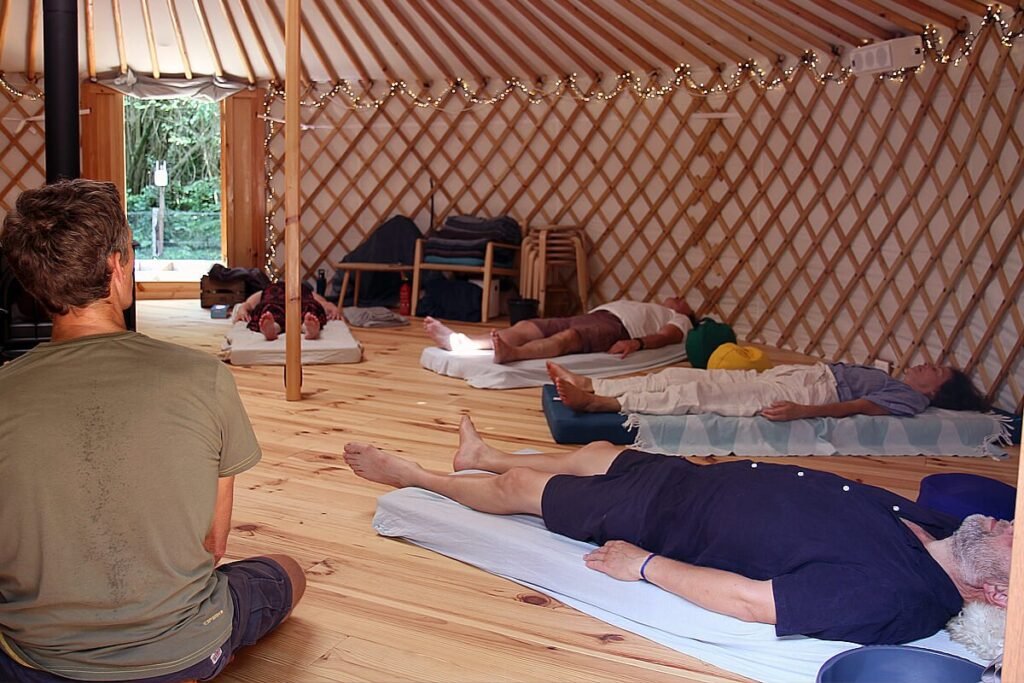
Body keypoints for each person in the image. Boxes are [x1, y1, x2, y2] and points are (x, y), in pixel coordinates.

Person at [0, 180, 306, 682]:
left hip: (34, 663)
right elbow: (214, 545)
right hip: (180, 651)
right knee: (289, 570)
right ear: (117, 266)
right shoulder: (203, 377)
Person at [342, 416, 1012, 645]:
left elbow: (753, 601)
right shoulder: (943, 529)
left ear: (997, 592)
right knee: (596, 451)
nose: (1008, 521)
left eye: (1015, 538)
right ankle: (481, 455)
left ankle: (415, 475)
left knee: (521, 490)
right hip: (693, 480)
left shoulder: (899, 596)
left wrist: (643, 565)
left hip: (662, 519)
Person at [546, 359, 990, 418]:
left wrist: (803, 411)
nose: (926, 363)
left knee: (702, 397)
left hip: (815, 392)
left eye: (936, 369)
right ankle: (592, 382)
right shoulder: (897, 379)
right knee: (687, 376)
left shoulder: (911, 398)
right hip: (797, 374)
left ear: (936, 391)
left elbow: (860, 406)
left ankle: (602, 403)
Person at [424, 297, 695, 363]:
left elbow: (667, 336)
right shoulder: (654, 306)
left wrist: (636, 343)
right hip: (593, 316)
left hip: (616, 328)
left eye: (683, 300)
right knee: (527, 326)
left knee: (568, 339)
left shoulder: (681, 319)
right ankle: (462, 342)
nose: (677, 297)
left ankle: (514, 354)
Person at [232, 281, 339, 341]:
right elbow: (248, 304)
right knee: (270, 311)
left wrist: (333, 308)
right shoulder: (267, 290)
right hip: (275, 302)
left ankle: (307, 328)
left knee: (310, 310)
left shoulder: (304, 290)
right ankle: (272, 328)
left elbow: (324, 303)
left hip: (300, 302)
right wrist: (242, 310)